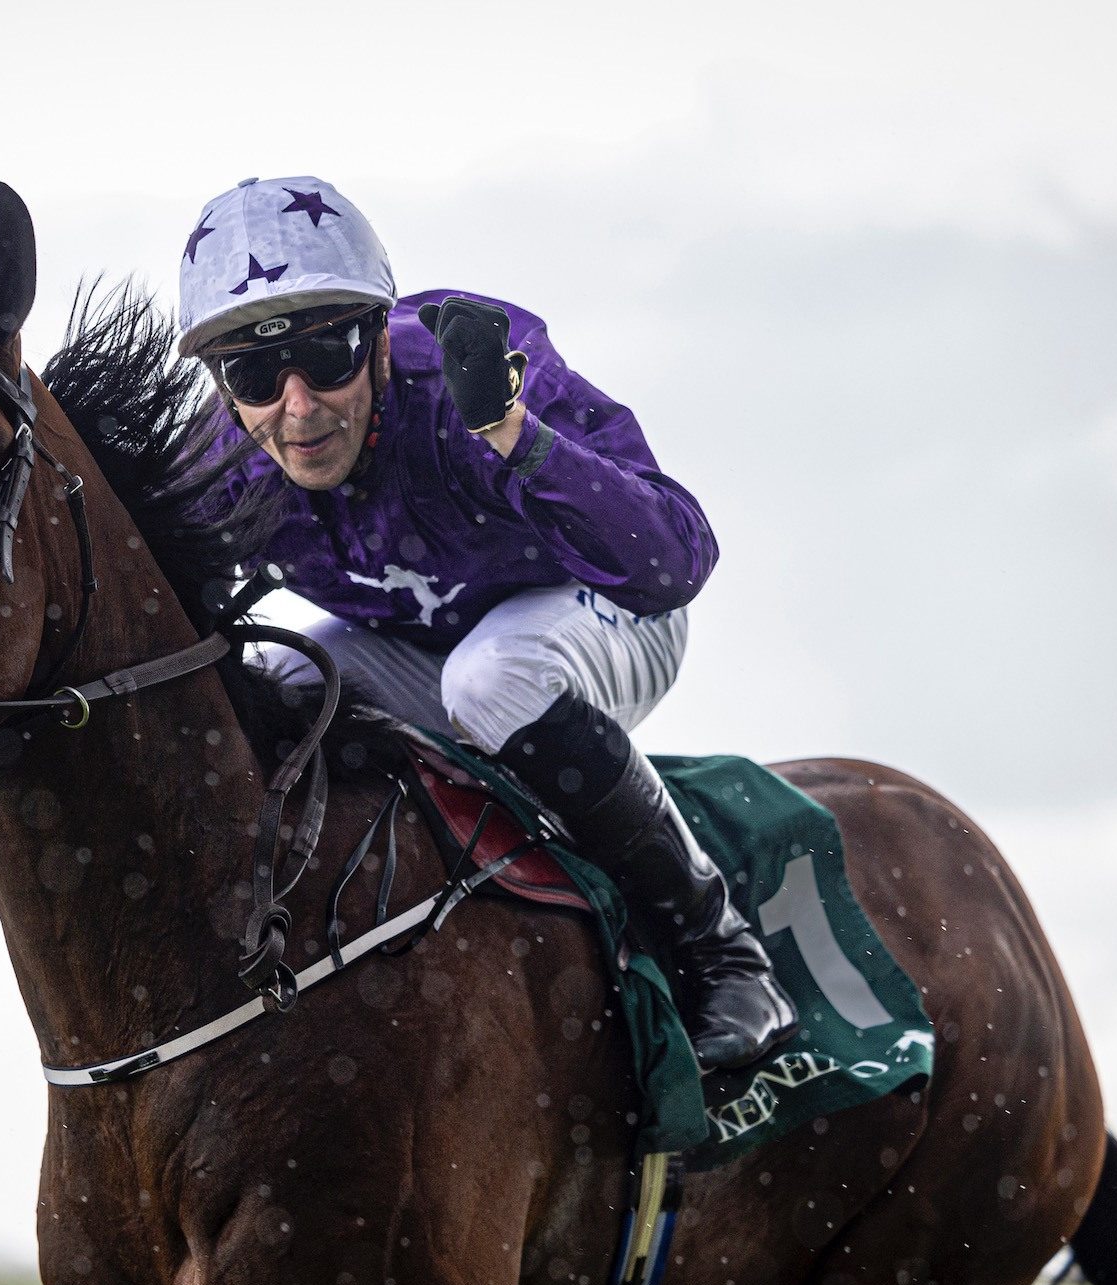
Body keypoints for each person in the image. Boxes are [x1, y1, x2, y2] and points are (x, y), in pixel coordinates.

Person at [177, 176, 794, 1070]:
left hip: (612, 612)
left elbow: (674, 563)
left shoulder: (472, 363)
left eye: (327, 357)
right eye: (257, 374)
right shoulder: (224, 468)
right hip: (428, 650)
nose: (299, 408)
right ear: (224, 386)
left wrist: (514, 433)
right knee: (276, 695)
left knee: (491, 679)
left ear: (379, 342)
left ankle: (723, 952)